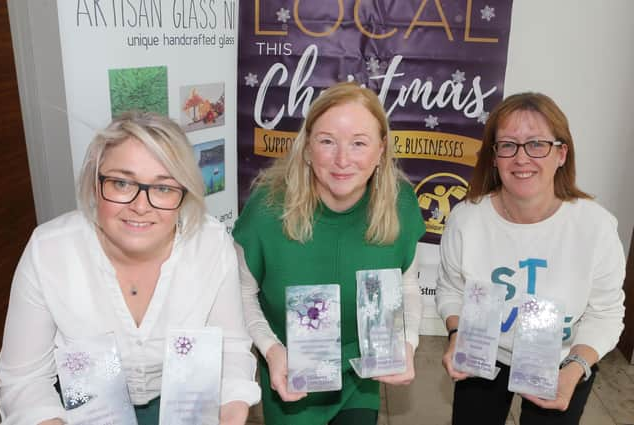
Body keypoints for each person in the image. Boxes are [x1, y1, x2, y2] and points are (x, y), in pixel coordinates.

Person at [0, 111, 260, 424]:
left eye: (163, 188)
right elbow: (24, 379)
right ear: (95, 184)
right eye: (122, 183)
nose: (140, 205)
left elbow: (230, 347)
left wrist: (232, 407)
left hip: (187, 407)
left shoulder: (211, 245)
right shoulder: (49, 250)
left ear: (184, 194)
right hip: (78, 413)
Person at [232, 81, 426, 425]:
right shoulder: (266, 210)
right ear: (307, 148)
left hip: (361, 371)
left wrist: (408, 344)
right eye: (326, 141)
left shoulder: (401, 206)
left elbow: (408, 286)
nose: (342, 159)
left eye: (359, 143)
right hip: (293, 370)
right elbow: (243, 296)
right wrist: (272, 351)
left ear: (381, 149)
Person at [435, 92, 626, 425]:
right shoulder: (466, 219)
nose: (521, 158)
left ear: (561, 153)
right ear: (494, 157)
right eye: (508, 145)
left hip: (562, 363)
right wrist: (457, 335)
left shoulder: (596, 227)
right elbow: (451, 290)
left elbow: (606, 313)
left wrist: (576, 368)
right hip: (485, 355)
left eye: (537, 144)